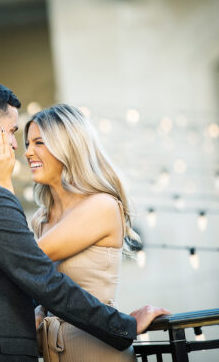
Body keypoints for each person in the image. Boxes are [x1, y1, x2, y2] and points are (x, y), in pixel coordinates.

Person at [0, 78, 168, 361]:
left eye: (37, 142)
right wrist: (124, 326)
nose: (17, 147)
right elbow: (34, 270)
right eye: (12, 132)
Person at [15, 104, 148, 361]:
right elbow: (39, 284)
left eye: (39, 142)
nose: (28, 152)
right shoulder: (40, 219)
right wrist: (39, 313)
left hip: (96, 351)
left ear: (68, 147)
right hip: (54, 353)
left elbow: (27, 261)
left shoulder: (102, 206)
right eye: (28, 143)